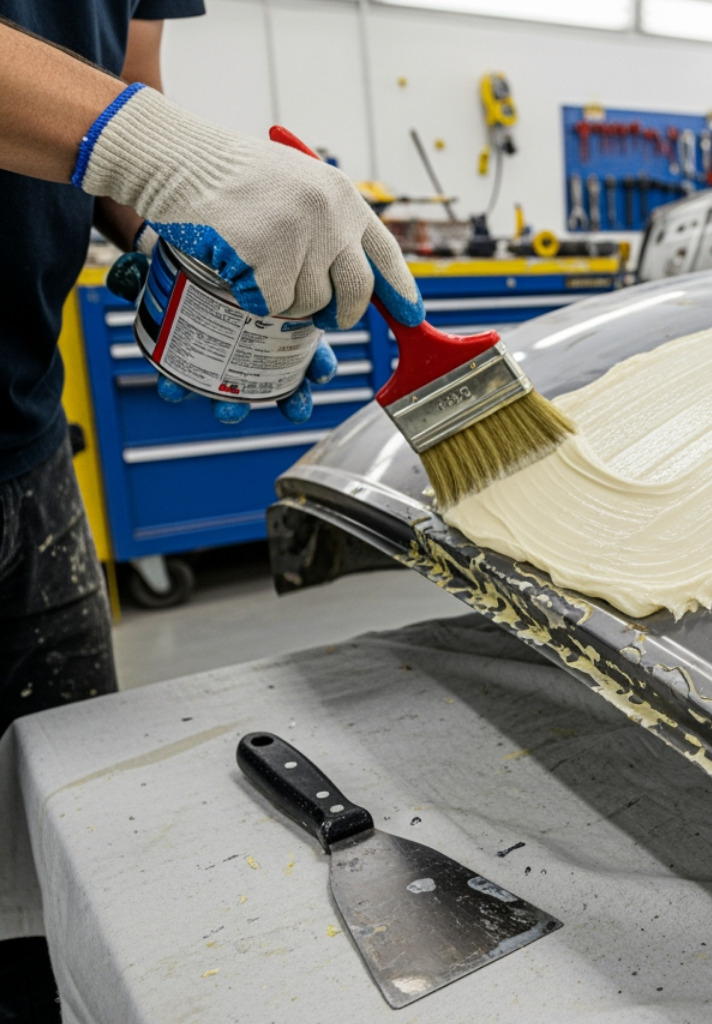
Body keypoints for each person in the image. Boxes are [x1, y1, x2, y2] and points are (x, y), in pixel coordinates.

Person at [0, 7, 424, 1018]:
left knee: (67, 841)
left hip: (24, 443)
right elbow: (133, 133)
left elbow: (122, 99)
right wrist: (164, 154)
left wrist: (190, 253)